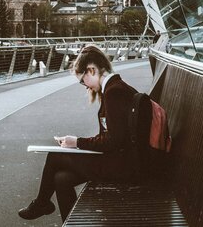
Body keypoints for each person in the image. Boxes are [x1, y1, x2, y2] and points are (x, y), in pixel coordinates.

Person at [18, 45, 140, 222]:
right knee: (61, 179)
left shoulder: (115, 92)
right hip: (119, 160)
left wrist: (77, 142)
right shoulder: (115, 88)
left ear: (91, 70)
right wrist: (76, 144)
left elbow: (113, 141)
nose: (85, 87)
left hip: (123, 166)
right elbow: (113, 137)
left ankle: (41, 203)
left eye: (83, 81)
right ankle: (66, 220)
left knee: (55, 156)